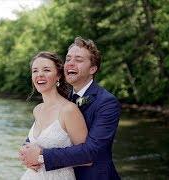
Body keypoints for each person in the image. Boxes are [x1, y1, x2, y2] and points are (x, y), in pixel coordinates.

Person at [20, 37, 121, 180]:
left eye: (78, 60)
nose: (70, 64)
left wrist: (41, 156)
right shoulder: (60, 98)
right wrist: (26, 151)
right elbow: (39, 136)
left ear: (93, 69)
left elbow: (91, 151)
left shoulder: (106, 103)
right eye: (68, 59)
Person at [20, 51, 89, 180]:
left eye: (46, 70)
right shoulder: (37, 109)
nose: (39, 74)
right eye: (35, 71)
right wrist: (25, 153)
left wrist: (40, 156)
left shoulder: (69, 110)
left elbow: (86, 157)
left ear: (58, 75)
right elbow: (34, 143)